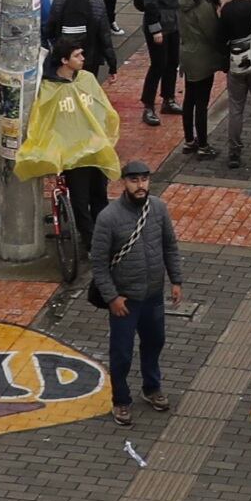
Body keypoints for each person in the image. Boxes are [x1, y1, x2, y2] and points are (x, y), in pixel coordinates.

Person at [91, 156, 184, 424]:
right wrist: (112, 297)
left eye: (144, 179)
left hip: (153, 295)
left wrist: (176, 280)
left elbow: (170, 246)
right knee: (121, 352)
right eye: (134, 180)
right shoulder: (108, 218)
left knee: (155, 343)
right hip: (125, 300)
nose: (140, 185)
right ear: (124, 183)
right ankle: (120, 400)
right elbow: (97, 263)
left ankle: (152, 388)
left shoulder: (158, 208)